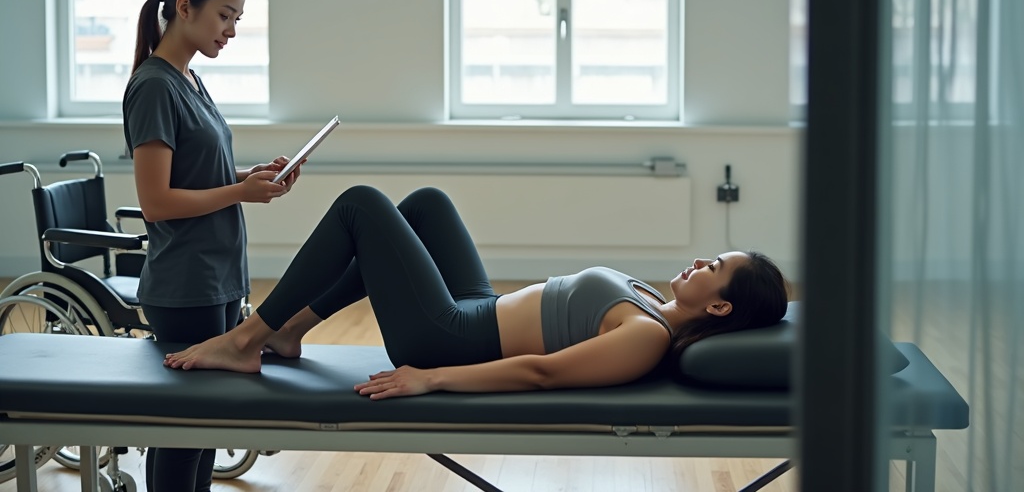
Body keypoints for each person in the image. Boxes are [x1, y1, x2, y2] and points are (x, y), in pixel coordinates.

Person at [163, 185, 789, 399]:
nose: (703, 260)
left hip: (451, 339)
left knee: (361, 206)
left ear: (720, 306)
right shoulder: (653, 302)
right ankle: (292, 330)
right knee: (425, 206)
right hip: (479, 307)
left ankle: (246, 340)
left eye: (717, 266)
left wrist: (429, 379)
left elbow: (541, 373)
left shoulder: (647, 337)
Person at [122, 0, 300, 491]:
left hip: (217, 278)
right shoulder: (155, 85)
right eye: (225, 15)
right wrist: (240, 192)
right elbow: (157, 201)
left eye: (237, 19)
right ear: (183, 7)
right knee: (183, 436)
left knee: (203, 430)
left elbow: (200, 173)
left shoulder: (191, 81)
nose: (232, 30)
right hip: (185, 284)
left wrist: (254, 176)